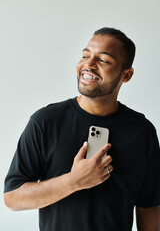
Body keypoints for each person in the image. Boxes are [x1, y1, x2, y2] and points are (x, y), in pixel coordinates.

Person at [4, 27, 160, 231]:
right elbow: (12, 198)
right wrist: (73, 181)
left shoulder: (142, 131)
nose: (88, 64)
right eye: (86, 55)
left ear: (126, 75)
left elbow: (149, 207)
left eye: (103, 60)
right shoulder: (46, 121)